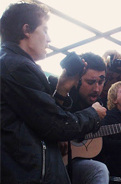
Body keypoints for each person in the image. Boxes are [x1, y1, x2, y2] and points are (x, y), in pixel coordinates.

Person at [0, 2, 106, 183]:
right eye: (45, 30)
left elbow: (38, 121)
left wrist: (62, 89)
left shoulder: (13, 64)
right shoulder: (17, 67)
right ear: (27, 30)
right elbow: (55, 126)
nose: (49, 39)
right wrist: (93, 114)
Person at [50, 52, 109, 184]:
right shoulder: (58, 93)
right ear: (77, 79)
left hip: (74, 164)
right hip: (50, 164)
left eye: (101, 82)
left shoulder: (100, 107)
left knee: (100, 169)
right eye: (91, 82)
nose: (97, 88)